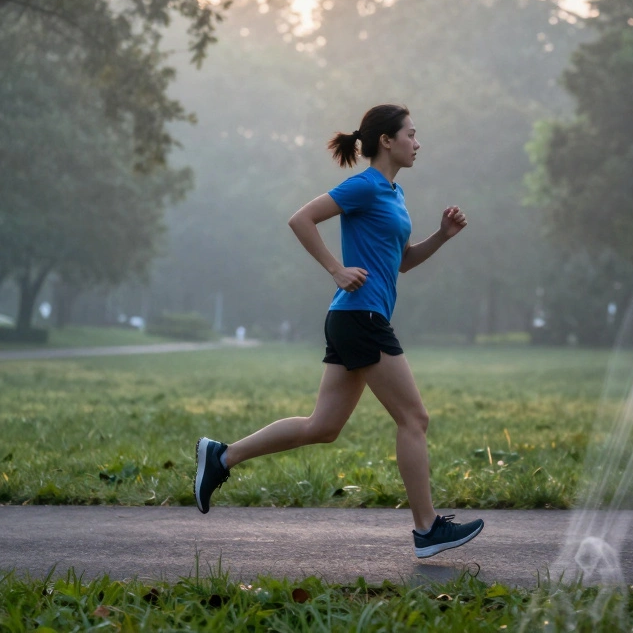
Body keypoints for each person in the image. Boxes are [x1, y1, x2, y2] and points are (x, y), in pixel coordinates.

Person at [193, 104, 483, 559]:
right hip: (360, 315)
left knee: (323, 427)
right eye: (411, 134)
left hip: (358, 317)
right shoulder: (364, 185)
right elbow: (301, 218)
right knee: (414, 419)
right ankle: (427, 529)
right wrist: (336, 269)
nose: (417, 142)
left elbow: (401, 262)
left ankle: (222, 457)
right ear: (387, 140)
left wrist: (442, 236)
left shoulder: (393, 194)